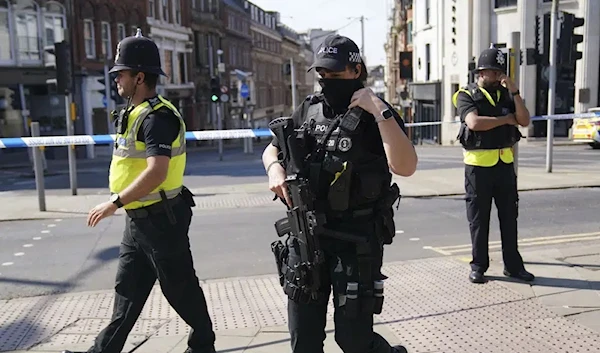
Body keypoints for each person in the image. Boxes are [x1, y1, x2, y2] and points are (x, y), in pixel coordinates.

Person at [62, 29, 216, 353]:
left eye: (121, 74)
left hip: (162, 220)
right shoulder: (134, 113)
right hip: (139, 219)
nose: (116, 79)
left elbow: (157, 171)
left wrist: (114, 203)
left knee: (180, 290)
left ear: (140, 77)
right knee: (127, 292)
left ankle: (204, 344)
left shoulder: (157, 118)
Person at [262, 34, 418, 353]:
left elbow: (406, 166)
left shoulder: (378, 114)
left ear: (356, 70)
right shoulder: (309, 108)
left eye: (334, 74)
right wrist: (273, 170)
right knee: (303, 341)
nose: (326, 81)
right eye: (322, 74)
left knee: (353, 341)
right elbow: (272, 148)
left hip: (356, 243)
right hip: (308, 240)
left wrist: (379, 111)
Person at [452, 44, 535, 284]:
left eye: (500, 71)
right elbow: (475, 123)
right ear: (481, 73)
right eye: (493, 71)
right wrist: (505, 119)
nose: (498, 76)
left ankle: (513, 266)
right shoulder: (466, 95)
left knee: (510, 217)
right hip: (478, 168)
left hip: (504, 165)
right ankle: (479, 265)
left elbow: (524, 120)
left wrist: (516, 92)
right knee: (479, 220)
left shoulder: (507, 94)